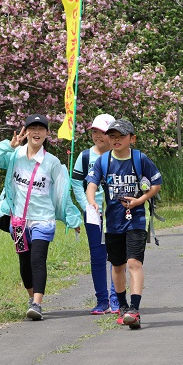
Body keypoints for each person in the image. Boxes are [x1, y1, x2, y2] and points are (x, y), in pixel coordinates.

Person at [0, 114, 82, 321]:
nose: (36, 132)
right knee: (24, 261)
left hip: (43, 219)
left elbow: (63, 193)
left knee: (38, 259)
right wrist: (9, 146)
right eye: (32, 128)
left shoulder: (53, 163)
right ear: (25, 131)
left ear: (47, 134)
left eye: (41, 129)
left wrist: (72, 219)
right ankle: (31, 298)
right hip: (18, 220)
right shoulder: (15, 155)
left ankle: (37, 303)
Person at [85, 119, 162, 330]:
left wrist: (140, 200)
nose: (116, 140)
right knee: (117, 265)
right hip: (112, 222)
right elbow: (91, 184)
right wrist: (92, 202)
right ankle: (122, 307)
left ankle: (134, 310)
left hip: (136, 219)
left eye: (121, 136)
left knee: (134, 263)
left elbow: (156, 184)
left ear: (132, 139)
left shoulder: (140, 159)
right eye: (112, 136)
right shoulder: (103, 161)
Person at [71, 114, 120, 315]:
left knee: (117, 256)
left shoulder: (121, 154)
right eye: (94, 132)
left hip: (117, 212)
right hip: (93, 214)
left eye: (102, 132)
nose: (98, 136)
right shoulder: (84, 157)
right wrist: (87, 206)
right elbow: (76, 183)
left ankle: (116, 299)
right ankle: (102, 301)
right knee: (98, 256)